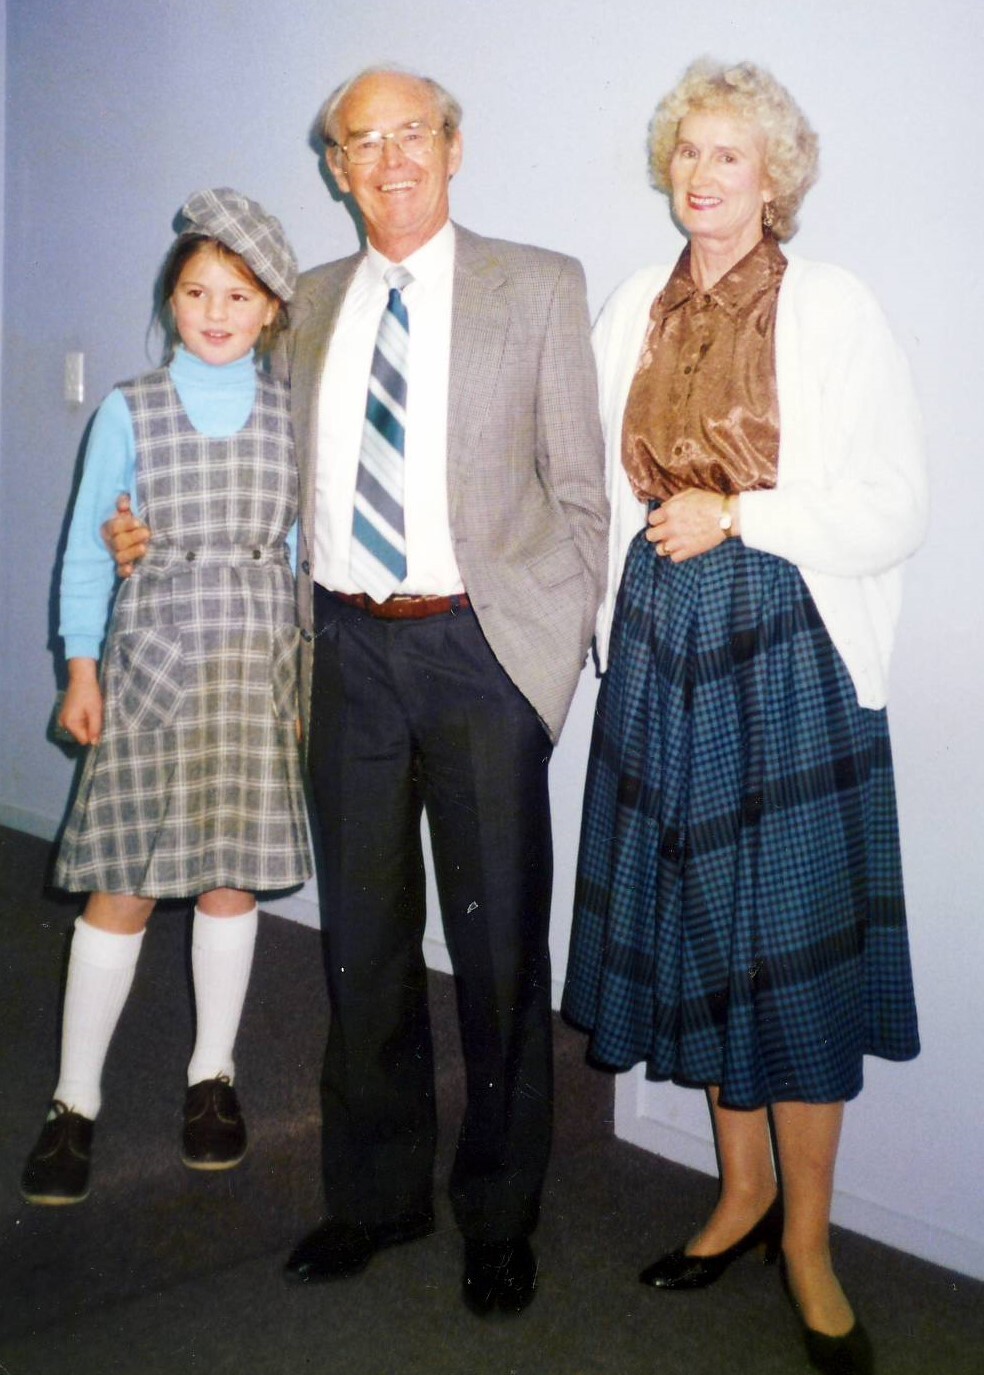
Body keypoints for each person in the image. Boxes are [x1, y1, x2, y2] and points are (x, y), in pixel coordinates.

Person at [107, 67, 607, 1314]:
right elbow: (239, 449)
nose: (387, 159)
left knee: (495, 956)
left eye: (409, 135)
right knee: (366, 948)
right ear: (333, 166)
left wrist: (534, 665)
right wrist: (146, 530)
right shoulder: (310, 303)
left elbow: (583, 500)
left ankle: (498, 1211)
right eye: (358, 142)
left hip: (478, 653)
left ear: (452, 147)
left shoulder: (537, 285)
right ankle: (377, 1197)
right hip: (346, 656)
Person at [562, 58, 926, 1375]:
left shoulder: (831, 305)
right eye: (688, 153)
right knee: (707, 939)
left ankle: (813, 1239)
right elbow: (597, 496)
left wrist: (744, 514)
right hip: (662, 649)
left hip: (786, 649)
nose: (702, 175)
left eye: (729, 155)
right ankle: (741, 1192)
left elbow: (898, 502)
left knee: (793, 954)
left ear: (773, 178)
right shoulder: (629, 310)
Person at [22, 189, 311, 1207]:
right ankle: (73, 1099)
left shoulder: (292, 410)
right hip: (150, 664)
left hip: (253, 668)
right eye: (196, 291)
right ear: (173, 299)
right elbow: (88, 554)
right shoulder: (130, 409)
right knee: (127, 882)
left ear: (270, 308)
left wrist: (300, 685)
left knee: (229, 878)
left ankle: (212, 1076)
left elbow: (300, 554)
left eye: (238, 294)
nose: (217, 310)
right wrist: (83, 667)